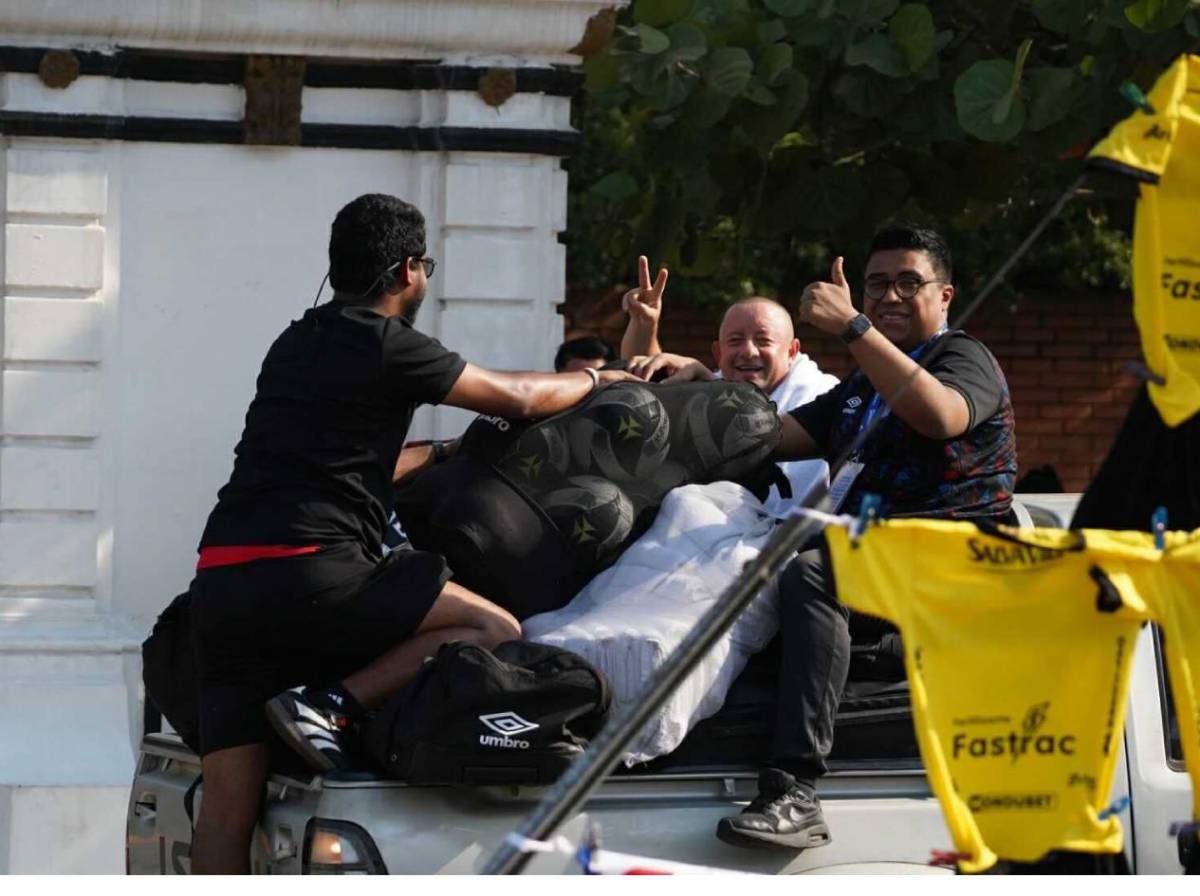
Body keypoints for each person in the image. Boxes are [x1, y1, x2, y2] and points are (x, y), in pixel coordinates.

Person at [186, 193, 634, 873]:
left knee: (225, 814)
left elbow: (359, 462)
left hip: (222, 580)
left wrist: (447, 452)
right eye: (425, 265)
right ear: (407, 271)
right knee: (494, 630)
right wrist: (598, 377)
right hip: (314, 568)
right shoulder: (390, 343)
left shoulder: (294, 342)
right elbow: (515, 399)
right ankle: (329, 705)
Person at [635, 225, 1017, 851]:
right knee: (737, 567)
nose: (889, 296)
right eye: (876, 285)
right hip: (881, 580)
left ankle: (794, 791)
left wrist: (853, 329)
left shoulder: (961, 356)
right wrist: (697, 391)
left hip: (954, 570)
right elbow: (774, 434)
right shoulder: (862, 385)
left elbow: (942, 417)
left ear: (944, 295)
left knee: (813, 570)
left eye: (907, 283)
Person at [621, 263, 837, 513]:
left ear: (792, 352)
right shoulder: (707, 390)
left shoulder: (824, 397)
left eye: (763, 340)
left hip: (794, 543)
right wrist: (643, 324)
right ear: (718, 352)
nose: (748, 352)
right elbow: (649, 388)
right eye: (735, 341)